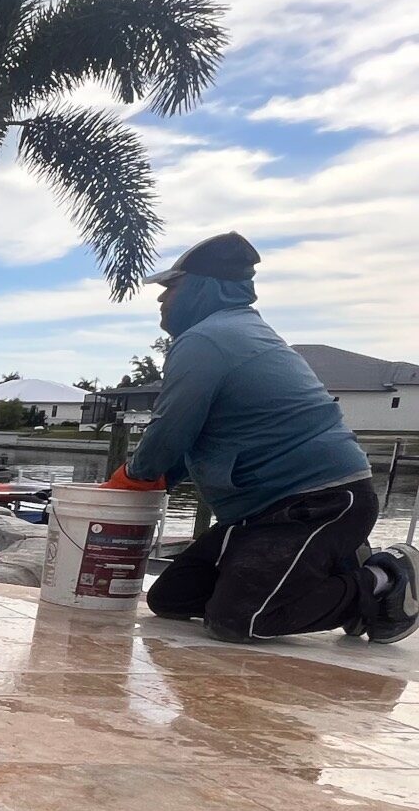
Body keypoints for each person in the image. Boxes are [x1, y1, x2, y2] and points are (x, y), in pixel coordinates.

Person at [106, 231, 416, 643]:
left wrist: (129, 480)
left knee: (242, 620)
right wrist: (156, 480)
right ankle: (335, 565)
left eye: (171, 287)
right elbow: (188, 440)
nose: (162, 300)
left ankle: (386, 579)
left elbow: (168, 431)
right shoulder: (226, 333)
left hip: (319, 503)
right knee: (171, 599)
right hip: (257, 515)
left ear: (204, 288)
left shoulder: (207, 339)